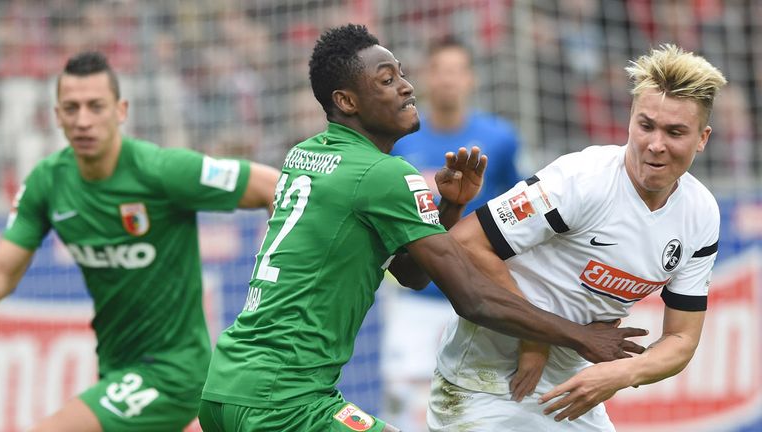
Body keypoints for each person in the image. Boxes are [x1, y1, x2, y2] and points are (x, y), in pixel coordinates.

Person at [198, 24, 647, 432]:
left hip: (228, 385)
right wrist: (581, 335)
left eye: (401, 73)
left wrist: (448, 208)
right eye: (387, 80)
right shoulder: (384, 173)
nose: (407, 87)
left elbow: (412, 274)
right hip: (283, 400)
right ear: (347, 101)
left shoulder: (305, 154)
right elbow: (471, 298)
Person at [427, 44, 727, 431]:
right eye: (645, 125)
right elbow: (465, 245)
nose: (655, 144)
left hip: (572, 387)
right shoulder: (580, 180)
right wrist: (534, 341)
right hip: (484, 379)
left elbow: (682, 339)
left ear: (702, 138)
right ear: (630, 119)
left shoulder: (701, 214)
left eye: (675, 132)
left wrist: (621, 374)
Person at [0, 51, 280, 432]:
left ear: (121, 110)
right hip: (117, 365)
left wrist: (285, 275)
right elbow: (1, 273)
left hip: (174, 371)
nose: (83, 120)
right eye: (71, 108)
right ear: (56, 115)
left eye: (95, 106)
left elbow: (275, 187)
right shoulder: (47, 182)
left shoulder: (161, 172)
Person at [385, 37, 522, 430]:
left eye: (456, 71)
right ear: (426, 77)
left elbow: (520, 206)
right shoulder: (400, 139)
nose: (447, 80)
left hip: (478, 292)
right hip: (417, 294)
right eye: (439, 70)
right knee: (401, 401)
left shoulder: (500, 139)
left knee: (482, 402)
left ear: (470, 79)